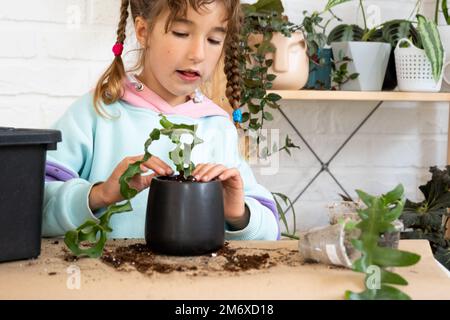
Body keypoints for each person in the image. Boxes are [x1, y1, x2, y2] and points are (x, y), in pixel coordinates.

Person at [42, 0, 279, 240]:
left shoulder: (219, 127)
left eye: (214, 40)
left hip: (198, 277)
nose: (198, 54)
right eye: (181, 33)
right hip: (104, 277)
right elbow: (27, 207)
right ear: (144, 32)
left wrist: (238, 214)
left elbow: (270, 231)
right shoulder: (94, 114)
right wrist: (100, 194)